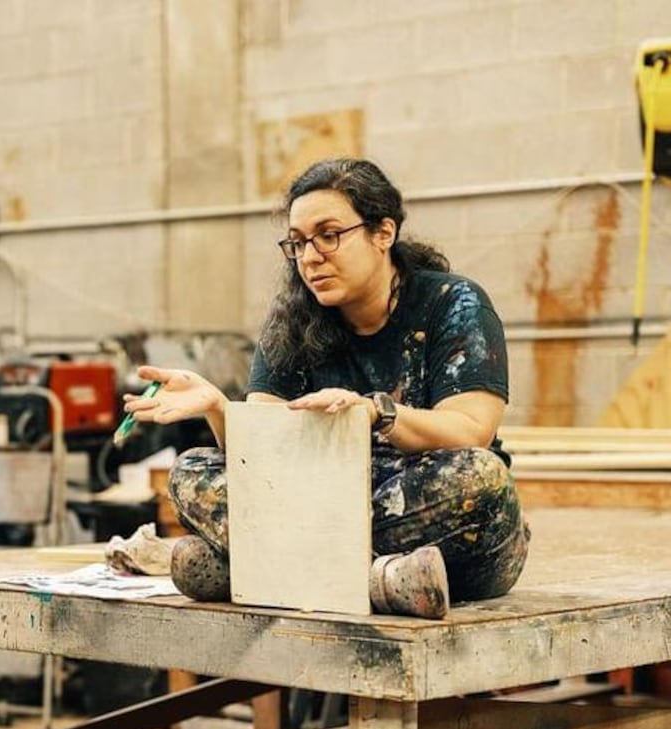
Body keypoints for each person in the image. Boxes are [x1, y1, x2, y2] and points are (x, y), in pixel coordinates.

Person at [125, 157, 529, 618]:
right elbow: (262, 461)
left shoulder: (452, 303)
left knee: (478, 477)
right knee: (191, 471)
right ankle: (380, 581)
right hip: (322, 503)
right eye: (297, 243)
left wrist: (374, 411)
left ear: (384, 233)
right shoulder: (290, 321)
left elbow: (470, 429)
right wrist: (219, 410)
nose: (311, 257)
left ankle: (256, 567)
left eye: (329, 235)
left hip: (432, 520)